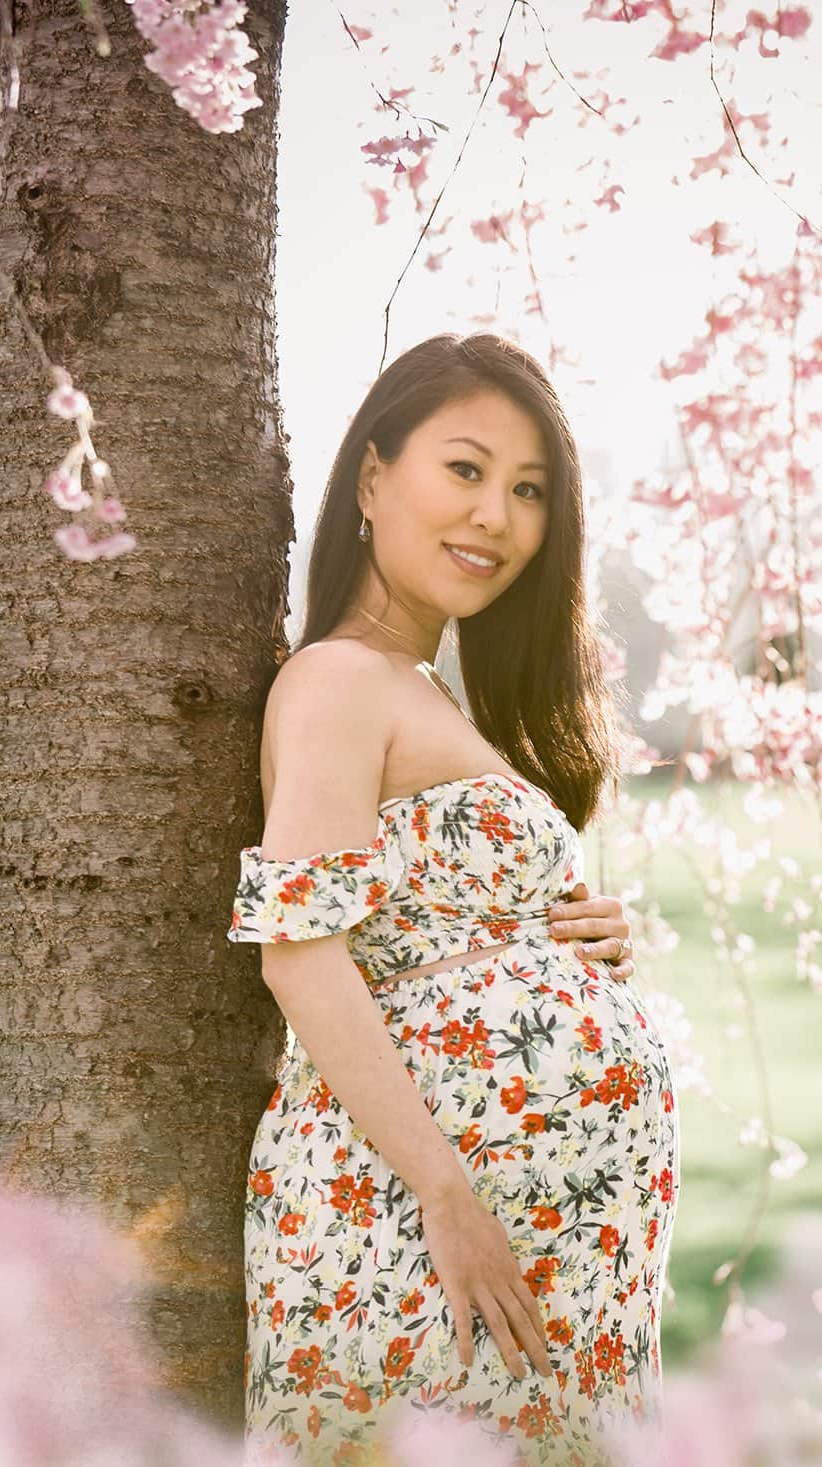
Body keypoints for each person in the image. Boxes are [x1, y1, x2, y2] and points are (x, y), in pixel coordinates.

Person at [227, 333, 679, 1467]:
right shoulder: (337, 679)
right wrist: (449, 1195)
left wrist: (575, 936)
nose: (496, 517)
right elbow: (300, 953)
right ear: (373, 480)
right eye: (465, 470)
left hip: (529, 1249)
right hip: (422, 1234)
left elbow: (427, 915)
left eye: (528, 491)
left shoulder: (419, 689)